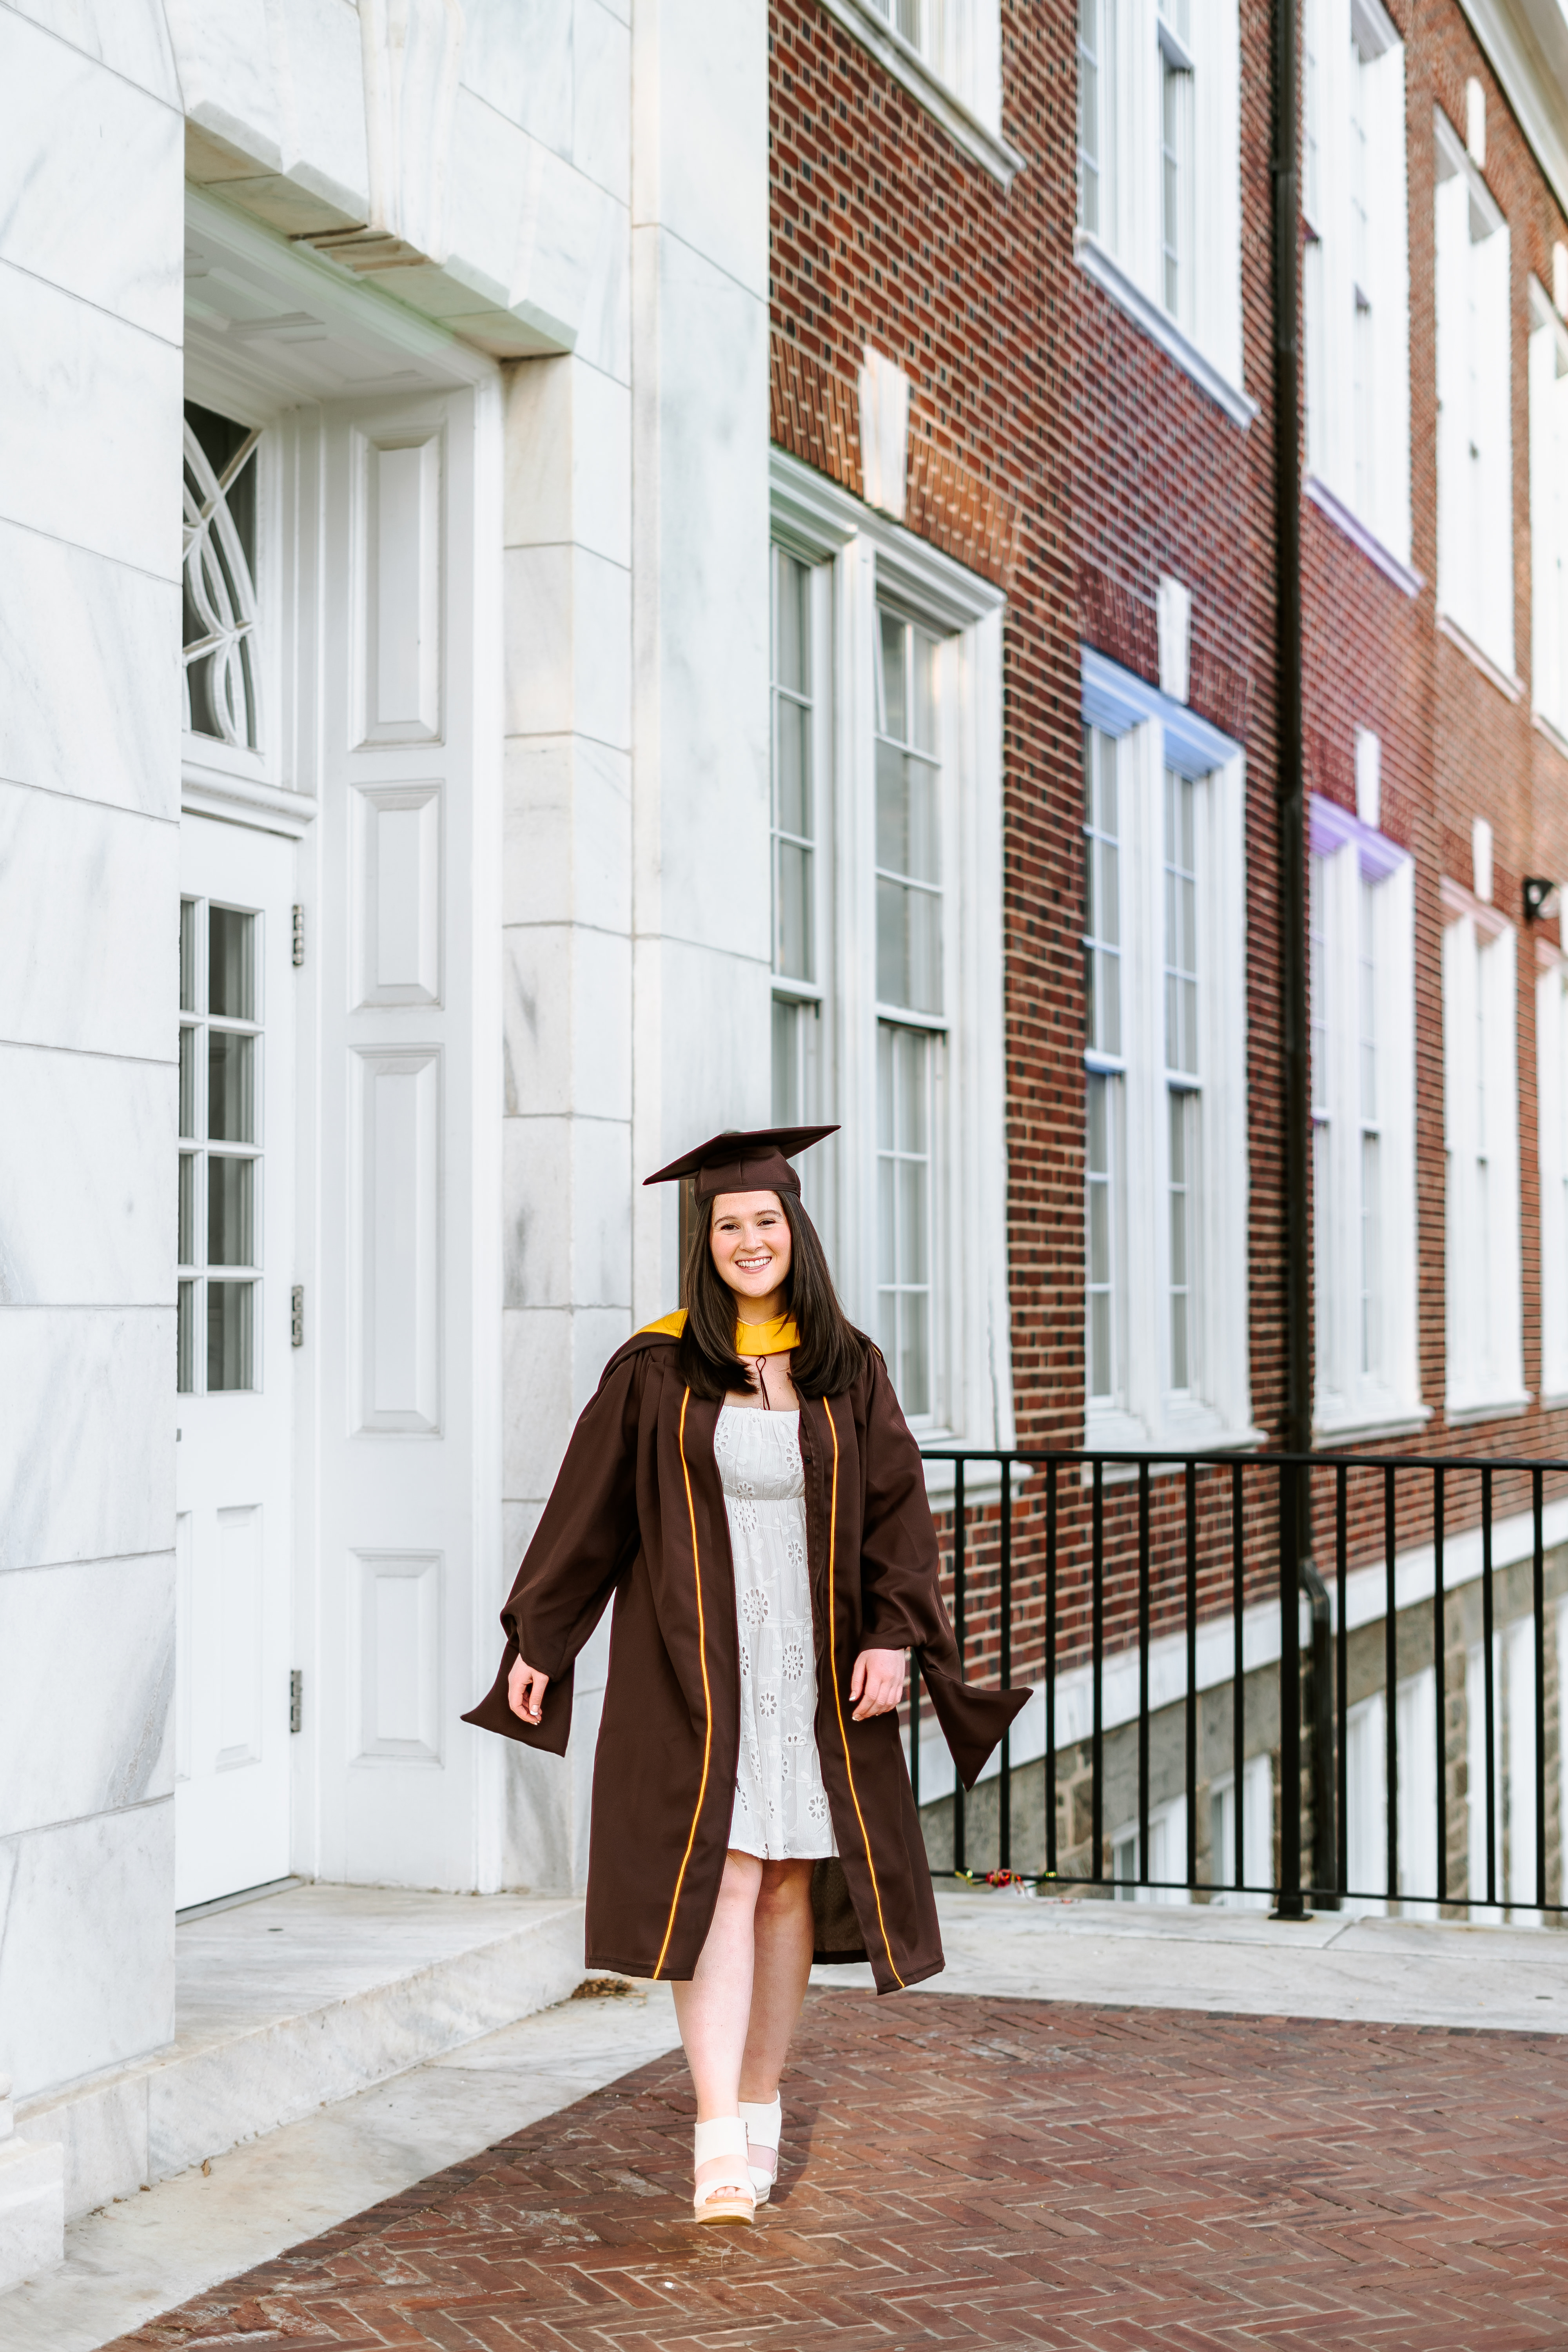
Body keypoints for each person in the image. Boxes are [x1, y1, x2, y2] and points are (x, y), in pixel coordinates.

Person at [464, 1125, 1026, 2225]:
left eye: (765, 1221)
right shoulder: (657, 1367)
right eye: (728, 1225)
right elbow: (591, 1517)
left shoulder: (846, 1366)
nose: (749, 1240)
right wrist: (540, 1639)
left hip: (815, 1670)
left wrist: (893, 1636)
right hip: (696, 1664)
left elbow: (897, 1518)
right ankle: (718, 2127)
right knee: (717, 1874)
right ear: (705, 1241)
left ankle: (763, 2099)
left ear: (794, 1230)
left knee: (785, 1886)